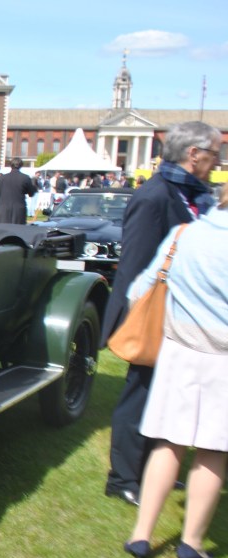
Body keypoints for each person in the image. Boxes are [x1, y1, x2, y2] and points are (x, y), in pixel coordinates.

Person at [101, 120, 222, 506]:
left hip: (182, 317)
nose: (217, 162)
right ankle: (123, 478)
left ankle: (156, 471)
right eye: (215, 154)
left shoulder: (188, 194)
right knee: (139, 397)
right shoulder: (154, 196)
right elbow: (135, 264)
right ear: (193, 154)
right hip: (152, 314)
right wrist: (132, 316)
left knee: (166, 398)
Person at [122, 182, 228, 558]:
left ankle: (141, 535)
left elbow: (139, 291)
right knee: (212, 451)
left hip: (179, 350)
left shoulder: (185, 234)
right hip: (223, 357)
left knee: (169, 443)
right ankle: (192, 543)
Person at [0, 157, 36, 224]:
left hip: (3, 209)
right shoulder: (25, 178)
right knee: (18, 229)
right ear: (21, 165)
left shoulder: (2, 178)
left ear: (11, 165)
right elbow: (31, 194)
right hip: (19, 210)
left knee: (3, 229)